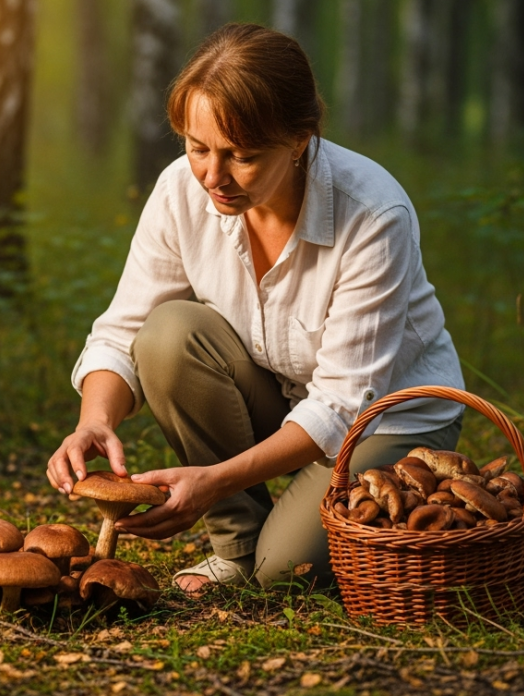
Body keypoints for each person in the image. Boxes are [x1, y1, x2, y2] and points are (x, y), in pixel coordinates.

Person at [46, 23, 465, 593]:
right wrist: (94, 420)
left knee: (284, 574)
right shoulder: (180, 192)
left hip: (382, 421)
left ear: (299, 141)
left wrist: (213, 480)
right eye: (197, 148)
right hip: (281, 396)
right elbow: (124, 331)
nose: (212, 177)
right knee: (167, 334)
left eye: (241, 157)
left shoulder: (373, 214)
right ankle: (238, 546)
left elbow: (342, 404)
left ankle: (271, 548)